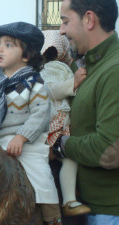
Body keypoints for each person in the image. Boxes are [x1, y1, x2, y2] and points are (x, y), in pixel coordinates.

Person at [0, 22, 61, 225]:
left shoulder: (34, 82)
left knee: (41, 178)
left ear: (26, 55)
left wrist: (21, 137)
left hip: (26, 144)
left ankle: (52, 216)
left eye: (9, 45)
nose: (0, 49)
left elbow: (40, 113)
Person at [57, 0, 119, 224]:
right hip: (85, 208)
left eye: (65, 21)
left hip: (108, 212)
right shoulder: (83, 67)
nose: (61, 30)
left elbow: (110, 150)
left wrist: (61, 145)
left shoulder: (114, 70)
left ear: (89, 20)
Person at [40, 30, 90, 217]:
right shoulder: (54, 68)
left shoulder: (47, 68)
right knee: (69, 158)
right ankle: (68, 200)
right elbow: (52, 90)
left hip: (52, 126)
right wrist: (73, 83)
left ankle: (66, 201)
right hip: (54, 125)